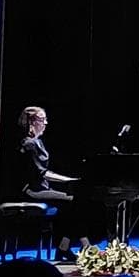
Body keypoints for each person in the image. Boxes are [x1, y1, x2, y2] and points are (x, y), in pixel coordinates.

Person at [17, 106, 91, 261]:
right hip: (32, 191)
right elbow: (42, 173)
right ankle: (83, 246)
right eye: (42, 119)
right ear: (32, 122)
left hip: (42, 188)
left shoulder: (38, 142)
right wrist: (68, 180)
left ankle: (67, 247)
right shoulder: (29, 144)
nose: (46, 123)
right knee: (73, 201)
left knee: (75, 202)